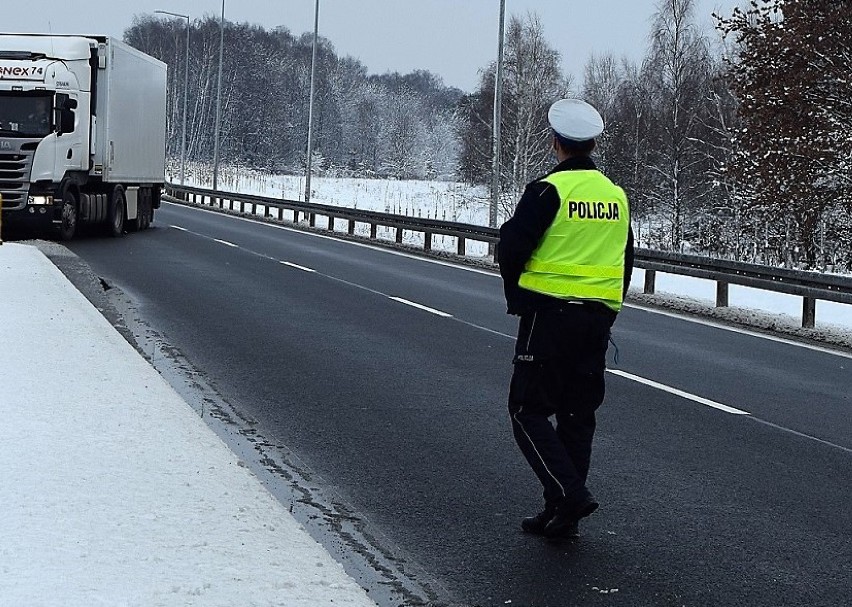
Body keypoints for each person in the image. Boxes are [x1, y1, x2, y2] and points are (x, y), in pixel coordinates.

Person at [498, 98, 634, 540]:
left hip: (549, 316)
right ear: (592, 145)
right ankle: (561, 515)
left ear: (556, 143)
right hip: (596, 321)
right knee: (577, 415)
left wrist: (516, 296)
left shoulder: (547, 191)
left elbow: (512, 246)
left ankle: (569, 494)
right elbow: (625, 260)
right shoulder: (616, 197)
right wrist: (610, 309)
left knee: (526, 410)